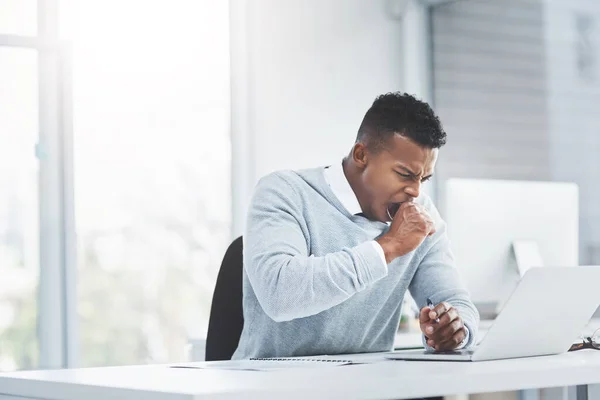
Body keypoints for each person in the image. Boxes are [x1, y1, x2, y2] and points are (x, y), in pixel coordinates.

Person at [233, 92, 479, 360]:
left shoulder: (420, 217)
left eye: (424, 179)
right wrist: (388, 247)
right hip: (273, 387)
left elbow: (456, 301)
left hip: (365, 386)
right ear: (361, 155)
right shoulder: (285, 192)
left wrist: (455, 330)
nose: (415, 191)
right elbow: (280, 295)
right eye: (405, 174)